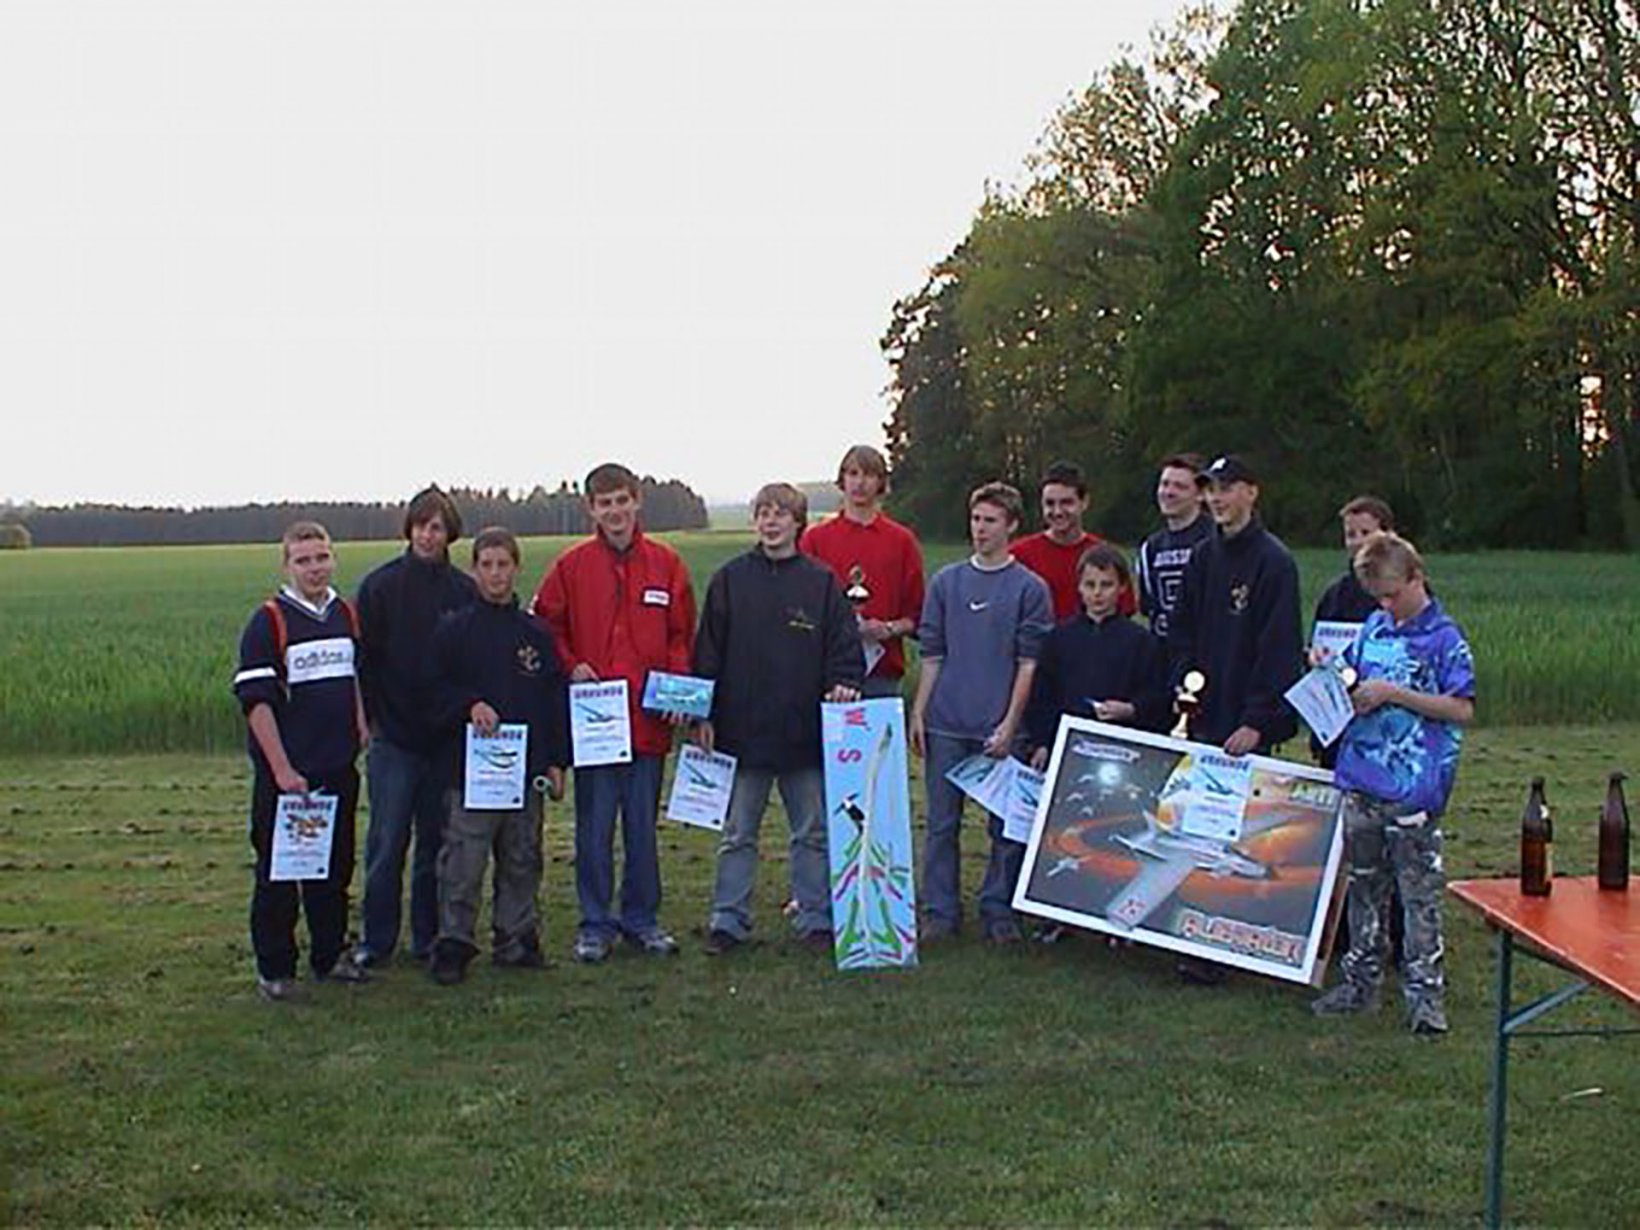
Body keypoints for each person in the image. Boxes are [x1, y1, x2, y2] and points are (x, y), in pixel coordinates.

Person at [532, 462, 696, 963]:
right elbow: (546, 626)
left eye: (622, 500)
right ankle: (595, 924)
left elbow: (680, 635)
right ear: (591, 509)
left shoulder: (666, 564)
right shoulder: (571, 567)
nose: (615, 511)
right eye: (605, 503)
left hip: (648, 722)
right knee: (595, 827)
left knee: (642, 829)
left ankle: (641, 919)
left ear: (636, 500)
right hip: (596, 724)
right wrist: (571, 665)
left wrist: (676, 691)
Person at [1311, 533, 1474, 1036]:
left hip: (1414, 785)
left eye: (1391, 594)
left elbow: (1461, 708)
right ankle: (1360, 983)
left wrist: (1394, 694)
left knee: (1418, 891)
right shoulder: (1373, 627)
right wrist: (1332, 669)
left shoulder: (1445, 638)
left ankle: (1425, 997)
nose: (1385, 605)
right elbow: (1355, 679)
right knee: (1364, 885)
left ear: (1415, 577)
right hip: (1362, 775)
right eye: (1377, 597)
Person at [694, 484, 864, 953]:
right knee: (737, 833)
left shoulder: (821, 582)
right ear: (755, 521)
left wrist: (844, 681)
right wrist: (702, 712)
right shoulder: (729, 580)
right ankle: (728, 920)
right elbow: (707, 650)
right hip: (741, 731)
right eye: (763, 514)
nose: (770, 522)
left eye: (780, 514)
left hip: (802, 731)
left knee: (811, 831)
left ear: (798, 522)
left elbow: (844, 645)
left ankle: (815, 917)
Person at [233, 521, 371, 1001]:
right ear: (286, 565)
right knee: (280, 872)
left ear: (333, 558)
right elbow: (257, 704)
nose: (314, 568)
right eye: (303, 560)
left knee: (334, 868)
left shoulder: (344, 614)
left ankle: (330, 955)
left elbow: (353, 674)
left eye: (322, 557)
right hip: (289, 777)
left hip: (338, 767)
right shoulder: (269, 621)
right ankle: (275, 968)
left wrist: (360, 722)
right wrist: (282, 771)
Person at [911, 481, 1053, 943]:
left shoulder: (1029, 588)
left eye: (990, 521)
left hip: (999, 725)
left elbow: (1028, 664)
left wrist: (1010, 725)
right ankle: (939, 912)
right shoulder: (946, 583)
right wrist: (919, 712)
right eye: (975, 519)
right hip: (947, 722)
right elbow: (932, 655)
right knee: (941, 824)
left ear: (1011, 526)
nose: (980, 529)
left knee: (1004, 827)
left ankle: (999, 910)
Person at [427, 528, 569, 985]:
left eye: (503, 565)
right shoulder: (453, 631)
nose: (495, 574)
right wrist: (469, 704)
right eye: (486, 565)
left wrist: (556, 761)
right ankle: (454, 944)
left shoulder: (535, 634)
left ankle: (516, 938)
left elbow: (552, 701)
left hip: (525, 773)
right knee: (464, 862)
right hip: (471, 775)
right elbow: (433, 692)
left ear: (516, 568)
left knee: (522, 858)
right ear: (473, 570)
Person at [353, 486, 477, 968]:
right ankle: (376, 939)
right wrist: (369, 720)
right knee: (387, 844)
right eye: (422, 526)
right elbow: (364, 662)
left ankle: (427, 937)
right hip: (394, 739)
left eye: (438, 527)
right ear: (409, 529)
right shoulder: (379, 587)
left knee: (435, 845)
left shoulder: (464, 592)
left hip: (444, 741)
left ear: (450, 534)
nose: (429, 535)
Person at [1167, 455, 1302, 757]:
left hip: (1245, 729)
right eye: (1210, 490)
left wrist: (1257, 721)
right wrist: (1182, 686)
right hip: (1200, 718)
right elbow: (1181, 631)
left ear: (1251, 493)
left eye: (1225, 489)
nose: (1216, 498)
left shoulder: (1274, 562)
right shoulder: (1201, 557)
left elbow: (1279, 649)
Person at [1025, 543, 1169, 768]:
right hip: (1069, 748)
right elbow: (1043, 696)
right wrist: (1042, 743)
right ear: (1079, 587)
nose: (1097, 593)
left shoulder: (1141, 641)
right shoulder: (1059, 638)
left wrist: (1131, 709)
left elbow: (1157, 695)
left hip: (1121, 748)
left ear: (1122, 587)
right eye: (1090, 585)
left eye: (1106, 585)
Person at [798, 444, 924, 699]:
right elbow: (800, 610)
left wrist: (888, 628)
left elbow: (917, 615)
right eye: (853, 473)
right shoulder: (815, 539)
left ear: (881, 482)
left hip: (882, 675)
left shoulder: (902, 541)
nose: (860, 483)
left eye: (869, 474)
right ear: (842, 480)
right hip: (826, 673)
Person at [1311, 496, 1396, 769]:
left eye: (1365, 533)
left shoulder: (1403, 592)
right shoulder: (1334, 595)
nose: (1358, 542)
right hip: (1337, 721)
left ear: (1388, 535)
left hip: (1387, 723)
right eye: (1350, 534)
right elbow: (1316, 649)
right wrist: (1313, 657)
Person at [1011, 459, 1135, 623]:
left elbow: (1123, 617)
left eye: (1066, 503)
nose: (1057, 511)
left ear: (1084, 502)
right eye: (1050, 503)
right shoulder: (1018, 555)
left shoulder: (1105, 556)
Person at [1135, 452, 1215, 642]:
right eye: (1165, 484)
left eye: (1180, 486)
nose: (1169, 492)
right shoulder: (1150, 548)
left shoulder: (1217, 540)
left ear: (1201, 494)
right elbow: (1148, 608)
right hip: (1163, 652)